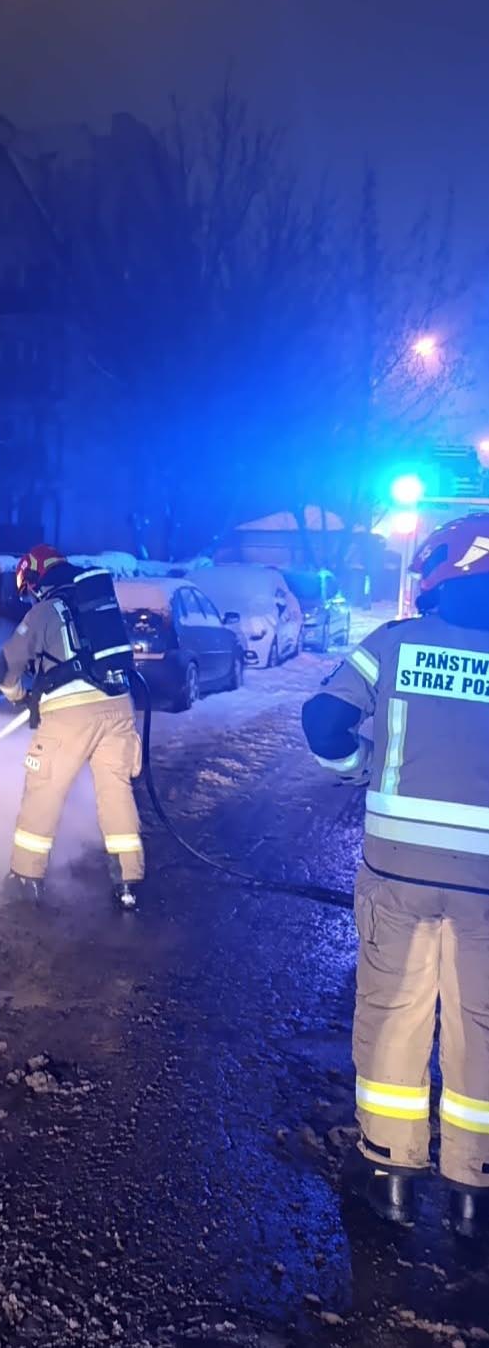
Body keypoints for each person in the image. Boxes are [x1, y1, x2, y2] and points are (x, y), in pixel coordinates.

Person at [301, 514, 489, 1236]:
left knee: (394, 1013)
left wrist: (358, 770)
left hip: (398, 872)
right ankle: (473, 1189)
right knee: (481, 1023)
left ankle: (390, 1172)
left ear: (440, 572)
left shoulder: (394, 643)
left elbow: (323, 721)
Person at [0, 544, 144, 911]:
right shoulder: (93, 604)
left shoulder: (43, 610)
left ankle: (25, 878)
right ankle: (127, 881)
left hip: (70, 716)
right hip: (119, 707)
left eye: (29, 587)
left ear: (36, 579)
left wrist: (16, 695)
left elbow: (9, 663)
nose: (30, 594)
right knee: (116, 792)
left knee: (43, 790)